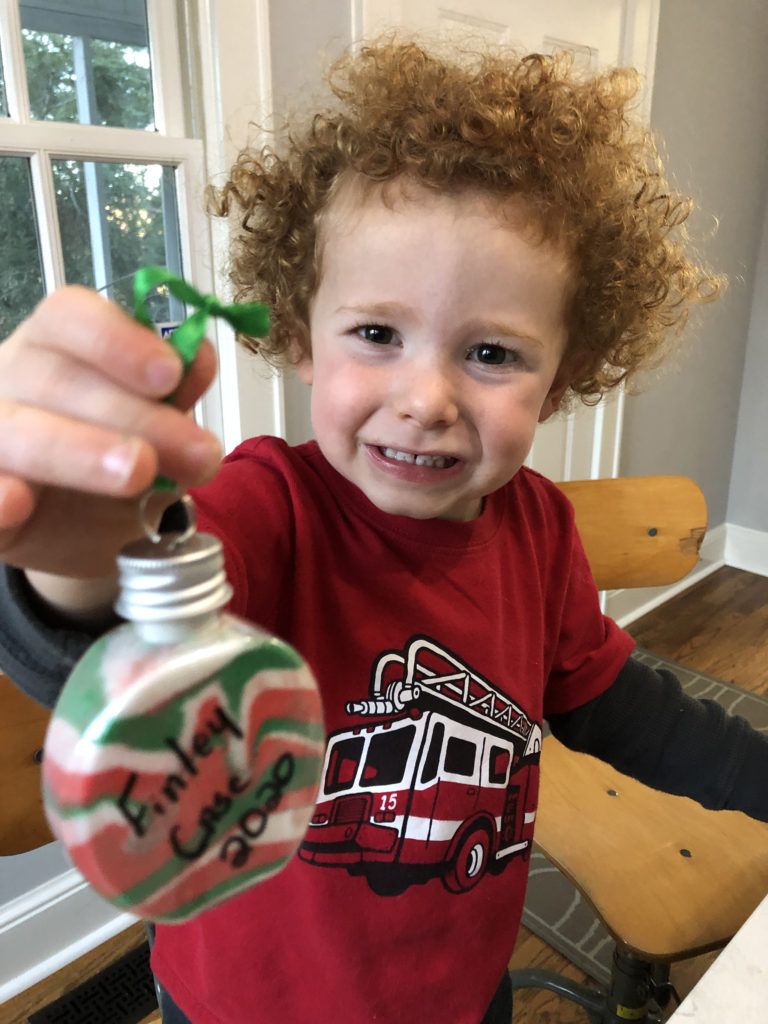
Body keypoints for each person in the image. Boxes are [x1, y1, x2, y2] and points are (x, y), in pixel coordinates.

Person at [0, 39, 766, 1024]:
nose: (427, 399)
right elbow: (123, 638)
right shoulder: (271, 509)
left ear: (562, 377)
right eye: (376, 334)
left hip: (458, 990)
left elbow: (613, 701)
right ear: (303, 333)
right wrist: (75, 557)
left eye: (491, 352)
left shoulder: (538, 528)